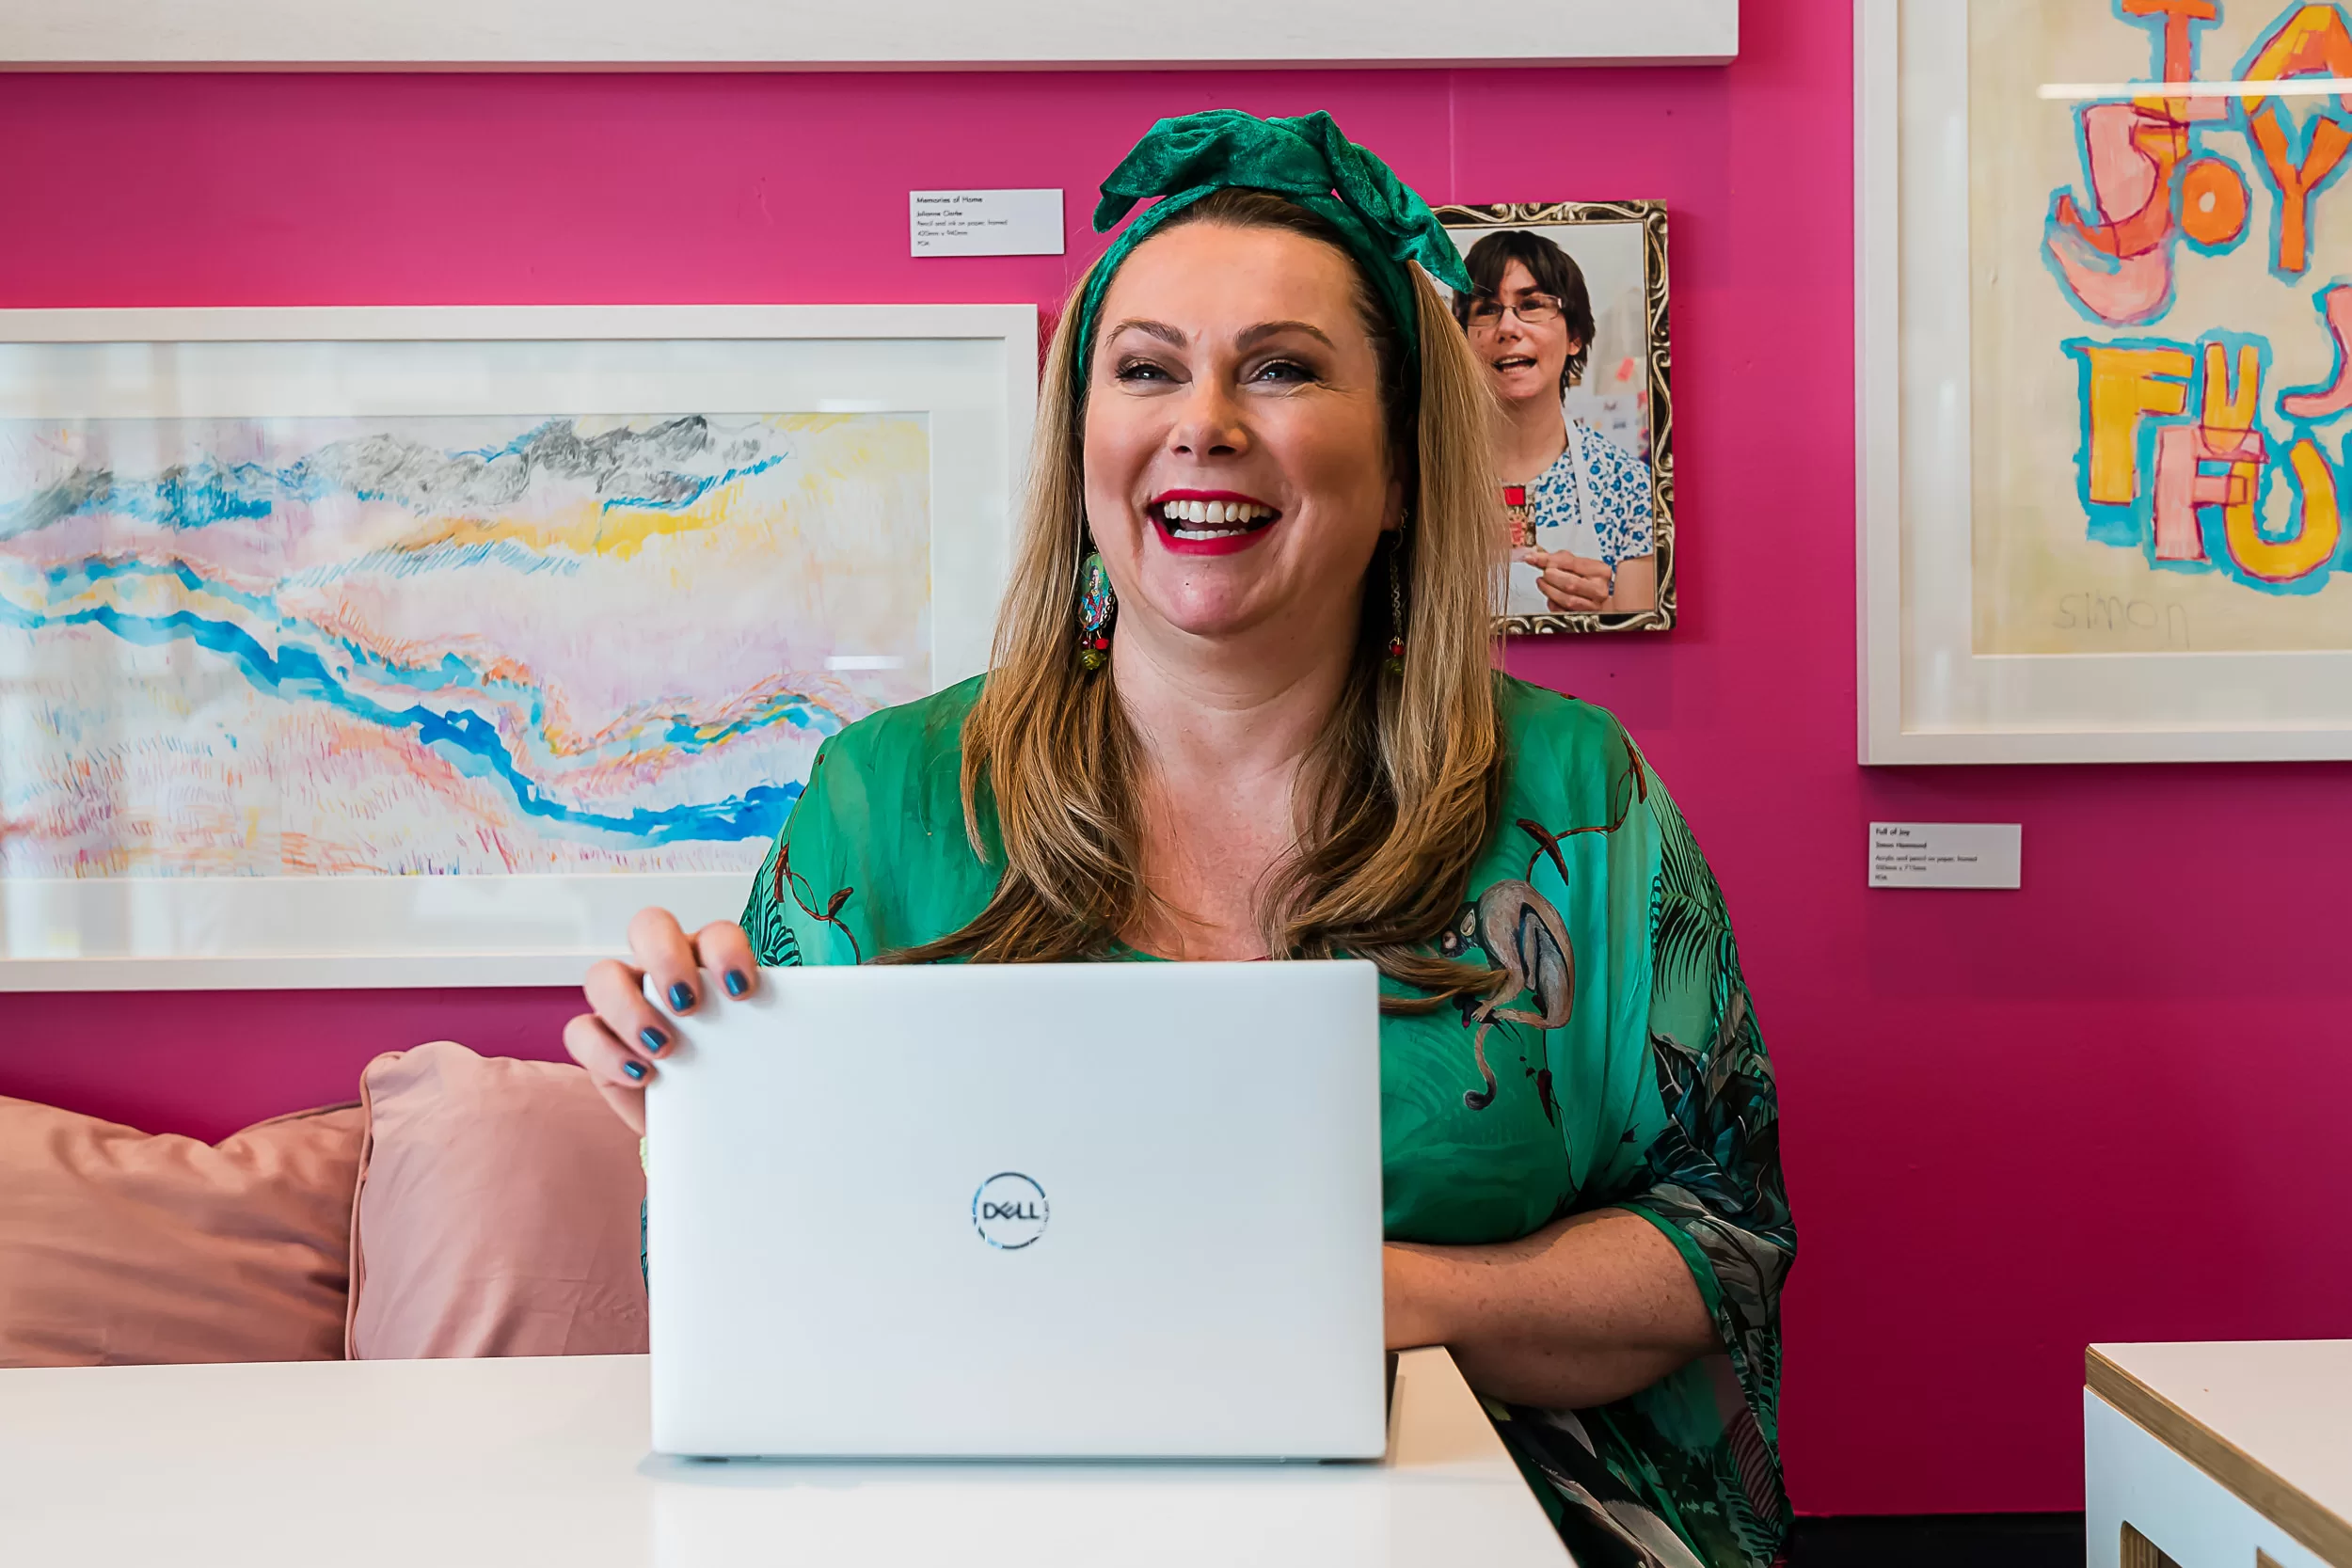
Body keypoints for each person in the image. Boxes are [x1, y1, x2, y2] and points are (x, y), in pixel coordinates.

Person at [567, 110, 1790, 1568]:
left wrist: (1386, 1291)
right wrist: (703, 1114)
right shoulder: (883, 800)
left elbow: (1721, 1246)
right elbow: (758, 1302)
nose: (1201, 420)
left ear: (1402, 465)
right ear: (1083, 446)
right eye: (1146, 368)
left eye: (1280, 367)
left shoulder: (1575, 794)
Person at [1454, 229, 1660, 617]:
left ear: (1575, 336)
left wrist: (1608, 611)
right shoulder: (1424, 481)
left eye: (1531, 304)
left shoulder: (1629, 489)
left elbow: (1645, 650)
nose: (1508, 328)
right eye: (1486, 309)